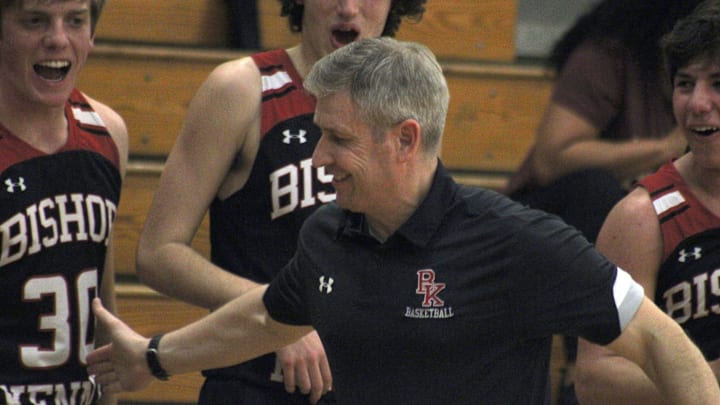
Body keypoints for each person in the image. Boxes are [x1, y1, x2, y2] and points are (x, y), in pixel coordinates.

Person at [88, 37, 720, 405]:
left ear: (404, 139)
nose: (319, 158)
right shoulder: (328, 235)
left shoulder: (516, 241)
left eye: (337, 139)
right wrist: (157, 357)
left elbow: (662, 342)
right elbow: (267, 317)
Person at [134, 1, 426, 404]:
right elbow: (157, 253)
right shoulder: (242, 88)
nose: (348, 7)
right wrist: (278, 317)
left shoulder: (409, 104)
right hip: (254, 387)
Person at [504, 2, 702, 402]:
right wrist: (663, 148)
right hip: (548, 222)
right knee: (601, 196)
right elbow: (552, 157)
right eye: (687, 83)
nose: (699, 100)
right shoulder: (606, 56)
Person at [576, 1, 720, 403]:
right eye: (685, 84)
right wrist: (705, 381)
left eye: (718, 83)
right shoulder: (643, 218)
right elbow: (594, 378)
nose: (697, 104)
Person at [0, 1, 128, 405]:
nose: (57, 39)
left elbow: (103, 303)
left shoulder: (107, 132)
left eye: (75, 21)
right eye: (34, 20)